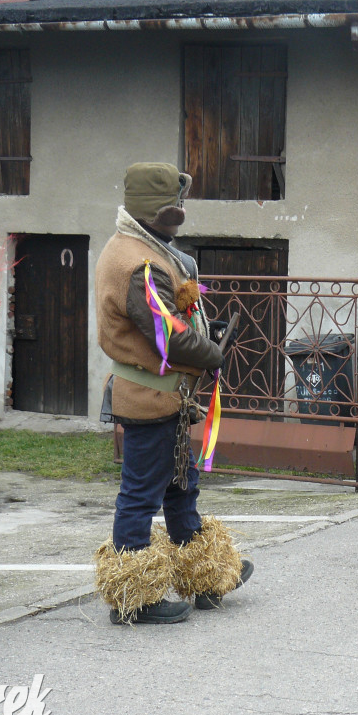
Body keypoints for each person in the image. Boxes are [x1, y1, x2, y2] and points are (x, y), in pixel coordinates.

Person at [93, 162, 252, 624]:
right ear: (159, 210)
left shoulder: (144, 247)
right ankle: (135, 599)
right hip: (150, 398)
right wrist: (212, 353)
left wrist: (205, 343)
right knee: (141, 494)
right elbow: (170, 337)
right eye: (177, 204)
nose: (182, 211)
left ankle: (203, 576)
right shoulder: (136, 261)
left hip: (168, 399)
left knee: (182, 487)